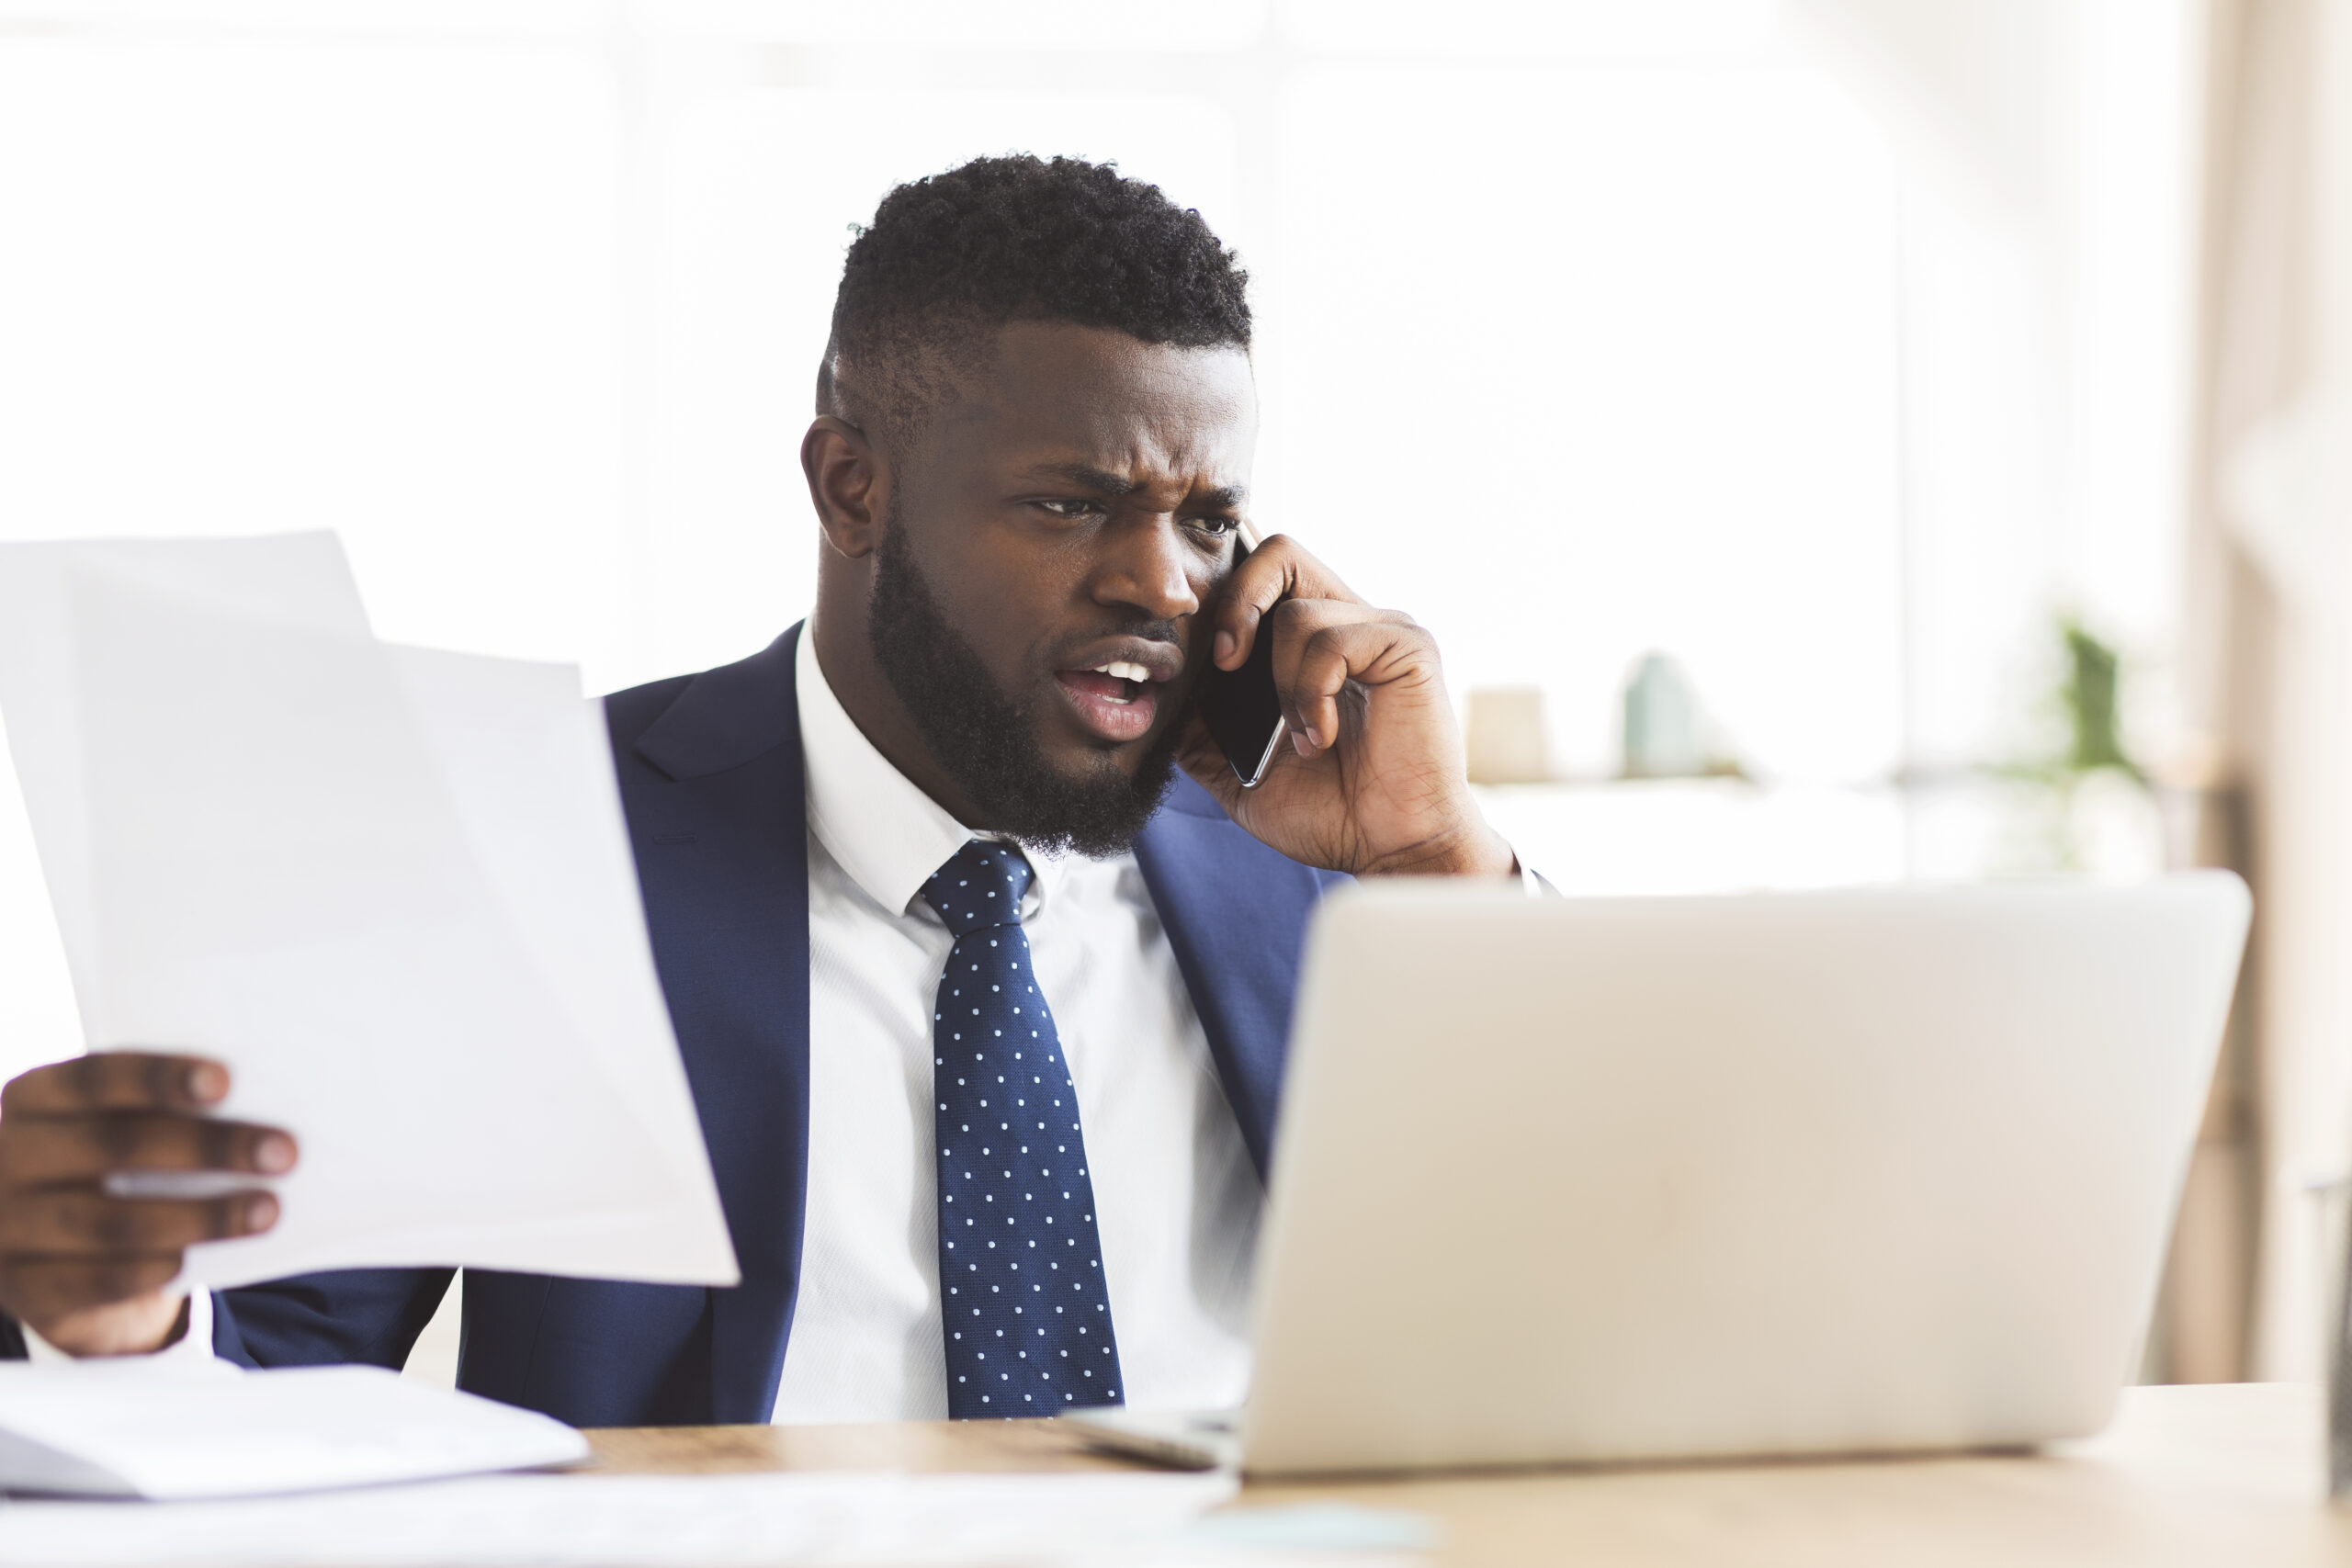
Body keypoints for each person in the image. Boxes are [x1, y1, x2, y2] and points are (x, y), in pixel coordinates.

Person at [0, 155, 1521, 1425]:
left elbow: (1588, 1303)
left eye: (1210, 520)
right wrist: (114, 1313)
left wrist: (1437, 856)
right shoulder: (532, 837)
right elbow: (265, 1356)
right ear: (851, 485)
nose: (1161, 584)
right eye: (1072, 503)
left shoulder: (1329, 856)